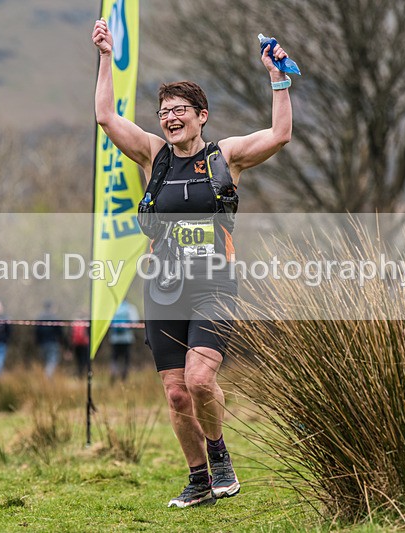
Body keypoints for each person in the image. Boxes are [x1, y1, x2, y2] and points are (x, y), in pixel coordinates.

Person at [93, 19, 292, 508]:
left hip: (215, 288)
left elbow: (282, 133)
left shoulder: (226, 158)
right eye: (164, 112)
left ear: (202, 116)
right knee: (178, 394)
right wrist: (104, 56)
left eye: (180, 110)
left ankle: (220, 455)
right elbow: (105, 118)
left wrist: (278, 77)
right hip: (162, 290)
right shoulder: (153, 157)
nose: (170, 118)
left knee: (202, 380)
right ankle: (199, 478)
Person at [109, 299, 139, 383]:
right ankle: (124, 377)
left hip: (114, 338)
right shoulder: (130, 308)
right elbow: (135, 321)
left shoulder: (113, 307)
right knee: (126, 358)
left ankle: (113, 373)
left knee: (114, 357)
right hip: (127, 338)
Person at [35, 301, 64, 378]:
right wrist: (63, 343)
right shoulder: (55, 318)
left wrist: (38, 341)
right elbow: (60, 332)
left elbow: (37, 331)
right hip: (53, 343)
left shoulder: (40, 318)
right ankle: (47, 377)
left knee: (46, 362)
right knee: (52, 362)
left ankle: (46, 379)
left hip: (43, 343)